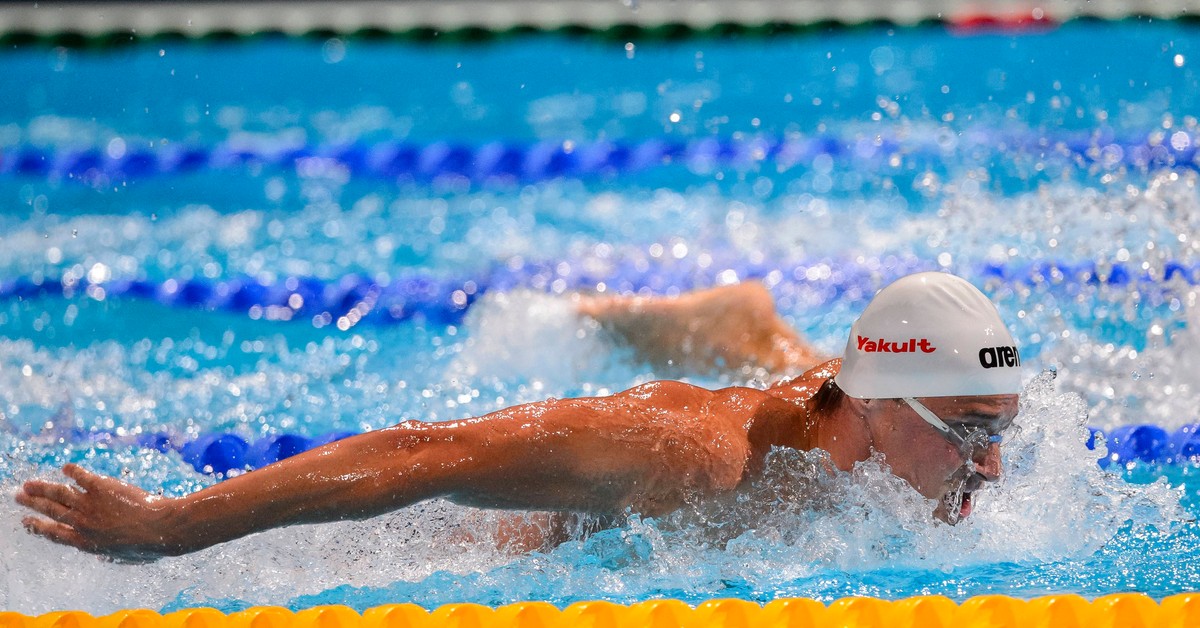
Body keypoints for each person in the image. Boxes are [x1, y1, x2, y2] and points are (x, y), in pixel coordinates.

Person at [15, 272, 1021, 562]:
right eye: (973, 432)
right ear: (885, 404)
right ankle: (736, 326)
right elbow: (429, 452)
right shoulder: (688, 453)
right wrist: (171, 524)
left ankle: (739, 322)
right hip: (520, 537)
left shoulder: (877, 422)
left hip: (830, 396)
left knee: (806, 378)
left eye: (1000, 430)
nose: (995, 470)